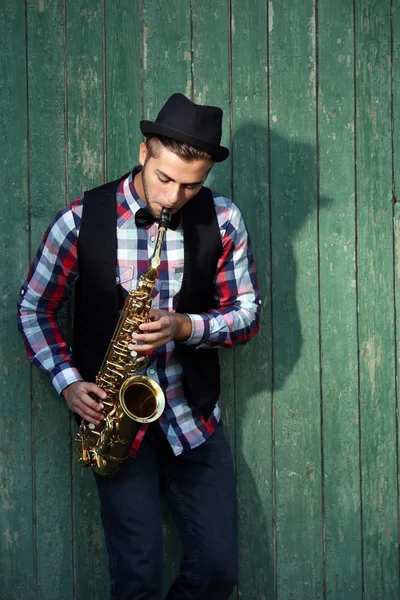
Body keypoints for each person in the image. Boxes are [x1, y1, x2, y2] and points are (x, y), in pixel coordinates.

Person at [17, 93, 261, 600]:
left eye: (191, 186)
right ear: (143, 152)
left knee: (219, 572)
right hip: (115, 425)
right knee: (138, 578)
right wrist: (67, 383)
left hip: (193, 419)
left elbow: (247, 314)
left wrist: (183, 326)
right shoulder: (80, 220)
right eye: (164, 179)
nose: (173, 199)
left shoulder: (224, 220)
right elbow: (32, 309)